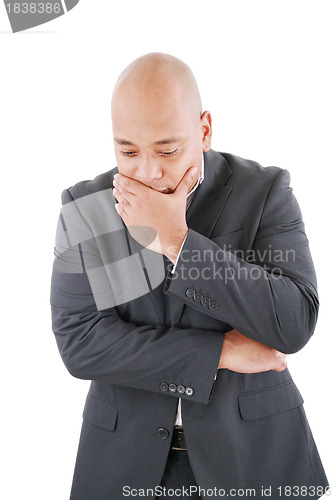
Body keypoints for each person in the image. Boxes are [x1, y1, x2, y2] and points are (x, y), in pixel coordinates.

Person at [51, 53, 329, 500]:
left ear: (203, 130)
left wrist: (178, 240)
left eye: (167, 150)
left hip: (254, 459)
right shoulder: (87, 207)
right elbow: (80, 343)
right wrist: (219, 351)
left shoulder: (265, 192)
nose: (148, 172)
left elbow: (293, 322)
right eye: (127, 151)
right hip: (124, 461)